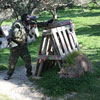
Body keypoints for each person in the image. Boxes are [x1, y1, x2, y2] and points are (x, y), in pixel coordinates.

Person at [4, 13, 54, 80]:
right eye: (29, 19)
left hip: (23, 45)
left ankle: (29, 74)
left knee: (28, 60)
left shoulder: (27, 23)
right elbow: (16, 35)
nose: (30, 21)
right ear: (25, 19)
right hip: (15, 46)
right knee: (12, 62)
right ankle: (9, 74)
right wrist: (26, 29)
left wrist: (47, 23)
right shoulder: (17, 24)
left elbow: (37, 25)